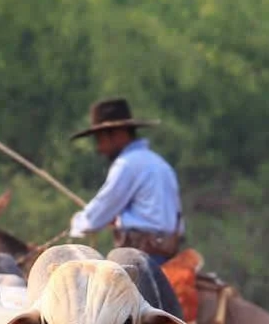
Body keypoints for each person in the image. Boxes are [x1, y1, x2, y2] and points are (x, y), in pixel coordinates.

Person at [67, 98, 184, 266]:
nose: (99, 149)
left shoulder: (127, 164)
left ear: (117, 134)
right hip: (169, 255)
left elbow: (102, 208)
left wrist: (79, 222)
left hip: (140, 258)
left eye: (100, 140)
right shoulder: (160, 163)